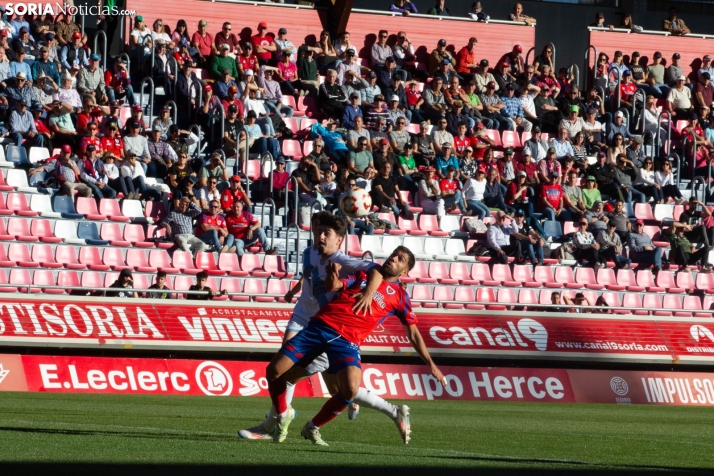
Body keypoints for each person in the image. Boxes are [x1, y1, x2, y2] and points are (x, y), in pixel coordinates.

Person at [240, 213, 412, 441]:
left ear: (337, 239)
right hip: (305, 317)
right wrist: (295, 289)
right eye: (316, 229)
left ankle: (277, 423)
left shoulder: (345, 261)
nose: (318, 235)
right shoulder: (309, 252)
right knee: (287, 371)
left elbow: (376, 270)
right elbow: (309, 274)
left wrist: (368, 293)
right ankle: (276, 423)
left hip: (330, 326)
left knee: (334, 387)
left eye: (324, 232)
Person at [266, 243, 444, 446]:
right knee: (275, 371)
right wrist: (333, 274)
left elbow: (413, 333)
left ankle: (311, 427)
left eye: (400, 259)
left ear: (404, 271)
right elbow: (334, 287)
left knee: (349, 389)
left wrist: (432, 365)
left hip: (348, 341)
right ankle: (282, 415)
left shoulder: (401, 297)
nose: (393, 258)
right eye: (394, 254)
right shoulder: (364, 274)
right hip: (321, 326)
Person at [28, 144, 92, 197]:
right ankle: (72, 206)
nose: (66, 154)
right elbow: (44, 167)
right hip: (64, 183)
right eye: (64, 152)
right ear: (61, 152)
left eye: (68, 153)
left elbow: (78, 172)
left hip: (76, 183)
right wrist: (35, 170)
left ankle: (83, 206)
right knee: (70, 188)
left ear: (70, 153)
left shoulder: (72, 162)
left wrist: (71, 164)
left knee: (88, 189)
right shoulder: (56, 161)